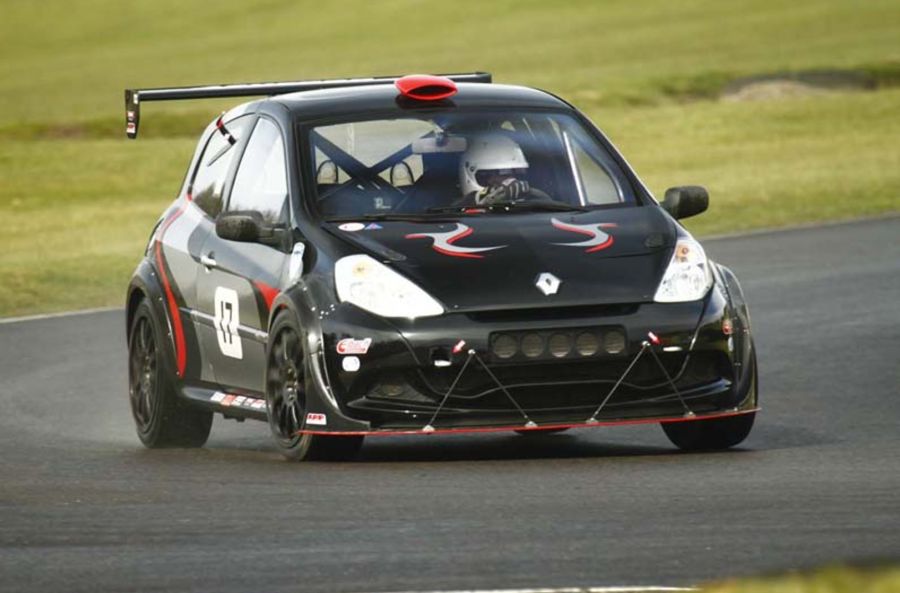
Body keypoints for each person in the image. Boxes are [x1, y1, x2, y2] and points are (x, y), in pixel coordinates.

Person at [458, 133, 536, 205]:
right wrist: (483, 197)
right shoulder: (458, 210)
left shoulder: (536, 206)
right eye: (503, 173)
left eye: (517, 173)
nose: (512, 181)